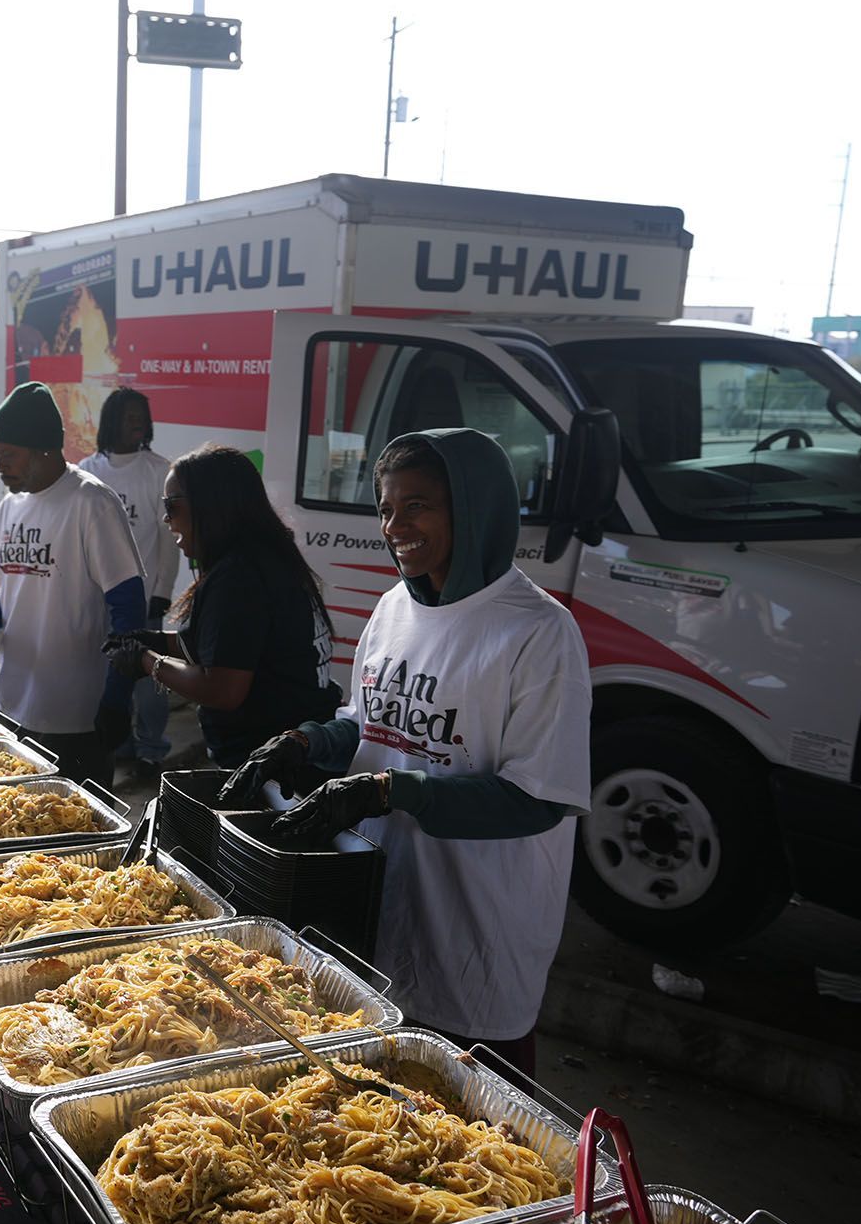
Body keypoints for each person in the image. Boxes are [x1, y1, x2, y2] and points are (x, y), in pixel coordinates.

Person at [218, 428, 592, 1074]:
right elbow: (369, 727)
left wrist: (394, 793)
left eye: (418, 505)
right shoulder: (392, 608)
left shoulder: (536, 632)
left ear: (473, 509)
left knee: (475, 1130)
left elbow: (537, 801)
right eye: (387, 508)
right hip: (380, 903)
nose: (396, 526)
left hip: (477, 927)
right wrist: (305, 742)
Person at [0, 382, 147, 786]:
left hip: (77, 716)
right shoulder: (10, 506)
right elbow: (1, 592)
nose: (0, 467)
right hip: (11, 702)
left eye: (9, 456)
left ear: (44, 448)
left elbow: (129, 609)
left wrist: (117, 698)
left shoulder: (92, 503)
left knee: (71, 837)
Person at [103, 443, 338, 769]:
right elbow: (228, 647)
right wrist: (156, 640)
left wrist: (148, 662)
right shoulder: (263, 558)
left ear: (210, 505)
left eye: (171, 505)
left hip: (274, 767)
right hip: (287, 752)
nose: (166, 519)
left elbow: (223, 689)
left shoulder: (239, 577)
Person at [79, 387, 180, 781]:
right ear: (111, 421)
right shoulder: (89, 470)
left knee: (149, 682)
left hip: (142, 598)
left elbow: (169, 540)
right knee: (105, 672)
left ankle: (151, 751)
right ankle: (117, 742)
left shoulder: (159, 470)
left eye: (142, 416)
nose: (137, 422)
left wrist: (161, 593)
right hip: (96, 598)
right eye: (129, 416)